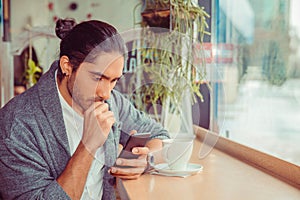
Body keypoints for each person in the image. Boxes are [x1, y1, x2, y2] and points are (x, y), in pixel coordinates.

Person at [0, 18, 169, 200]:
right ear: (67, 67)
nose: (105, 93)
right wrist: (88, 145)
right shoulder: (16, 125)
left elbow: (159, 135)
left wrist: (145, 160)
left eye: (114, 80)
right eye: (97, 78)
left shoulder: (113, 102)